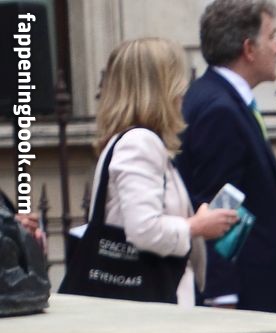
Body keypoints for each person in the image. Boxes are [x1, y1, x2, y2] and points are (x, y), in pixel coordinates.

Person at [77, 37, 236, 308]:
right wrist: (196, 226)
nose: (183, 94)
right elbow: (144, 230)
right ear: (162, 89)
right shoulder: (140, 143)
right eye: (177, 83)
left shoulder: (132, 141)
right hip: (148, 308)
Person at [177, 2, 276, 314]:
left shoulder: (223, 98)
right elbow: (215, 205)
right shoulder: (219, 109)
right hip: (246, 299)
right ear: (248, 48)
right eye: (271, 37)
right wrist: (223, 296)